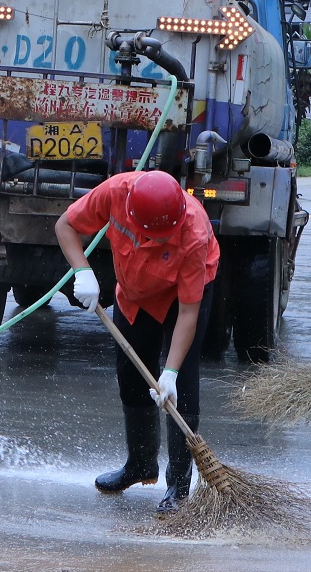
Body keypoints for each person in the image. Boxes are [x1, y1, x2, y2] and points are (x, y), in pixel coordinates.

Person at [54, 168, 220, 515]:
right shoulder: (116, 192)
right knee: (131, 376)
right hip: (134, 292)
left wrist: (170, 372)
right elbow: (65, 226)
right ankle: (141, 465)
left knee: (183, 386)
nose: (154, 240)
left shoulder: (193, 232)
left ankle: (178, 484)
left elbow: (188, 314)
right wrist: (82, 270)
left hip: (181, 296)